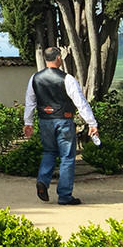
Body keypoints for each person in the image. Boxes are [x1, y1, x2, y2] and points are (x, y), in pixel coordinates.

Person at [23, 47, 98, 206]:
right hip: (64, 120)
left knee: (49, 151)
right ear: (58, 58)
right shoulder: (67, 79)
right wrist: (92, 123)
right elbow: (80, 103)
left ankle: (43, 181)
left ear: (45, 59)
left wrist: (28, 122)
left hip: (45, 121)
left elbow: (30, 102)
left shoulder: (35, 78)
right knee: (67, 157)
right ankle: (64, 196)